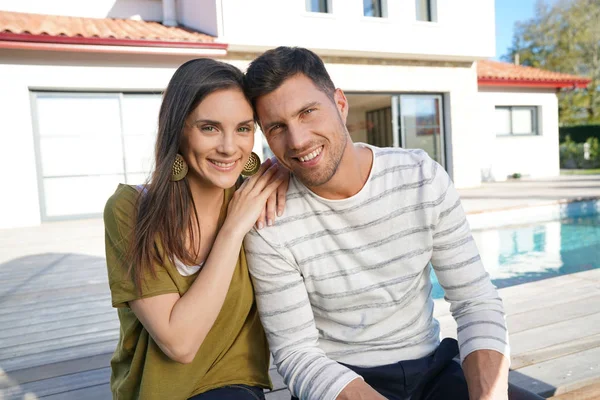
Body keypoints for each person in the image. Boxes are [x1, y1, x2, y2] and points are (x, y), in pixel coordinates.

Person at [243, 47, 544, 400]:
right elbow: (296, 353)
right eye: (277, 127)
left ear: (340, 104)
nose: (297, 140)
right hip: (338, 382)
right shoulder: (269, 220)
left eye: (308, 112)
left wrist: (489, 396)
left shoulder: (420, 177)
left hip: (430, 369)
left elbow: (475, 300)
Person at [103, 58, 288, 400]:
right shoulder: (130, 209)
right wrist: (232, 231)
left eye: (243, 128)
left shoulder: (257, 193)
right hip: (157, 390)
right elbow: (179, 343)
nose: (230, 147)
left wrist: (282, 167)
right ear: (177, 129)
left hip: (232, 385)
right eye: (209, 128)